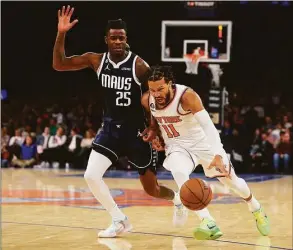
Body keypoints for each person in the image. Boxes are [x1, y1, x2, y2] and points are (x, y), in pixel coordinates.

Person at [53, 6, 184, 238]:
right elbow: (59, 64)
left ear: (126, 40)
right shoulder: (96, 60)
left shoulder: (139, 65)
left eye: (121, 38)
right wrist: (61, 32)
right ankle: (119, 219)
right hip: (111, 130)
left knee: (152, 190)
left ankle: (176, 200)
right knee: (90, 176)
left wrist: (155, 128)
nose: (117, 41)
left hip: (136, 134)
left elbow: (156, 95)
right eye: (113, 37)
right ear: (106, 39)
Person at [141, 65, 270, 240]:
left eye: (160, 89)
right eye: (152, 90)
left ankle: (256, 208)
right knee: (179, 172)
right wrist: (154, 131)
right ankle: (208, 222)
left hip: (204, 144)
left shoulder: (187, 97)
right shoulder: (147, 99)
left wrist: (217, 154)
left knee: (234, 184)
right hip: (178, 146)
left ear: (170, 84)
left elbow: (209, 127)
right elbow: (154, 119)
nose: (156, 94)